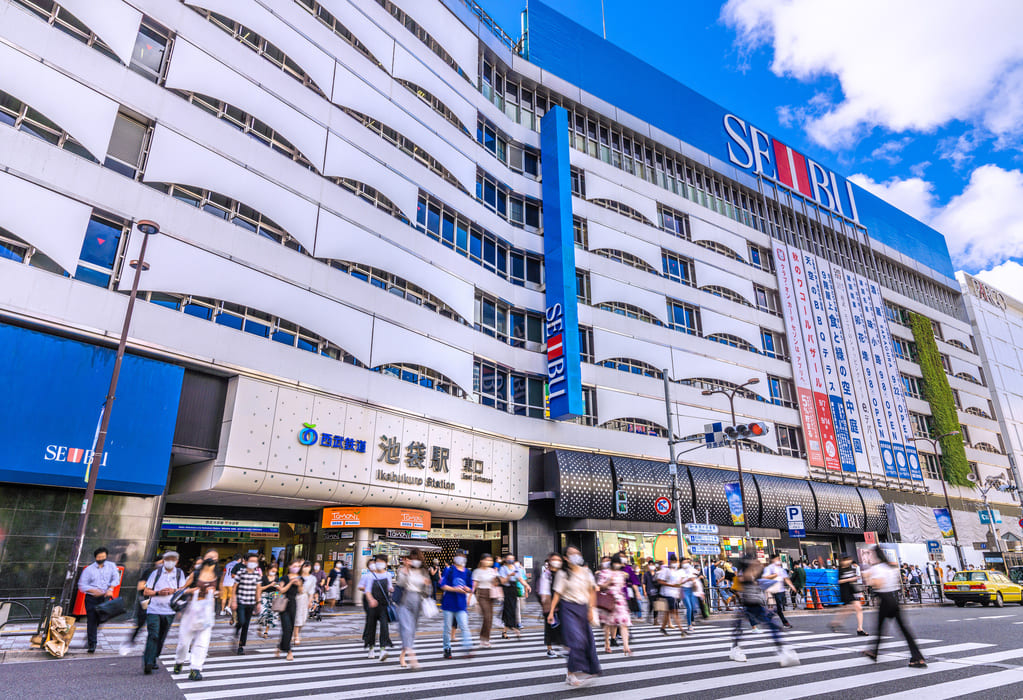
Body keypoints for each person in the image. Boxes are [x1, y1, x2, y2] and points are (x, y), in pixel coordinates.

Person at [863, 546, 926, 668]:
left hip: (885, 600)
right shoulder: (890, 568)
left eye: (870, 554)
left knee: (880, 629)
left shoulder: (878, 568)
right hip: (894, 600)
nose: (869, 557)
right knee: (902, 630)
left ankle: (874, 652)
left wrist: (867, 578)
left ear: (875, 555)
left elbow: (878, 584)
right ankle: (918, 657)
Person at [729, 558, 799, 667]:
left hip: (755, 605)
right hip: (750, 605)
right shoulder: (744, 576)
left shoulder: (753, 576)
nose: (760, 566)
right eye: (756, 565)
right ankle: (782, 652)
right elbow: (737, 588)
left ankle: (735, 648)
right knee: (769, 626)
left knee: (742, 626)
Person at [548, 546, 601, 687]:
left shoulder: (586, 572)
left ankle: (572, 672)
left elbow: (592, 591)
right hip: (568, 608)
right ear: (565, 558)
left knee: (586, 641)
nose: (576, 556)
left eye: (577, 553)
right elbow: (557, 594)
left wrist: (591, 609)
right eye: (572, 554)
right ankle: (572, 673)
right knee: (575, 640)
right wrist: (552, 611)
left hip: (583, 607)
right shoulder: (562, 574)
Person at [173, 549, 220, 681]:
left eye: (215, 558)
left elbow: (222, 593)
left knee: (202, 642)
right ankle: (179, 661)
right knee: (184, 643)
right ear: (205, 558)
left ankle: (196, 669)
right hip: (191, 611)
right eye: (210, 557)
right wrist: (193, 590)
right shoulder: (196, 573)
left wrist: (215, 593)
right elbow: (181, 590)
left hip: (207, 612)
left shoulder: (218, 575)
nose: (213, 559)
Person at [141, 551, 183, 674]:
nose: (170, 562)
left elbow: (183, 590)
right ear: (164, 560)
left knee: (161, 637)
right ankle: (148, 662)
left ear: (177, 561)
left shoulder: (179, 574)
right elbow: (146, 591)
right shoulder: (156, 573)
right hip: (154, 609)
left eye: (173, 559)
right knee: (153, 635)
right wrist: (158, 593)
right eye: (168, 559)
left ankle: (154, 657)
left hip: (169, 611)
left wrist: (173, 590)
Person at [77, 546, 122, 654]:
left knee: (100, 619)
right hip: (91, 598)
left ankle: (91, 635)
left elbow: (116, 578)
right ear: (95, 557)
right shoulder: (89, 569)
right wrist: (93, 590)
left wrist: (111, 588)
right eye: (99, 557)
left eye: (103, 556)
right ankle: (92, 644)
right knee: (91, 620)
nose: (101, 558)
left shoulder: (111, 566)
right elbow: (82, 585)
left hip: (104, 597)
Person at [121, 554, 164, 656]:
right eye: (161, 562)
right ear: (156, 562)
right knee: (140, 625)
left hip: (159, 604)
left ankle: (150, 650)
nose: (162, 564)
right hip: (146, 602)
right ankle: (129, 643)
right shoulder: (149, 572)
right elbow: (140, 587)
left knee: (155, 628)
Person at [396, 549, 430, 669]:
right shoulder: (403, 570)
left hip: (418, 602)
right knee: (406, 628)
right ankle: (412, 656)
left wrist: (427, 585)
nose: (415, 561)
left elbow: (428, 591)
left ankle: (402, 655)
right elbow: (400, 584)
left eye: (417, 559)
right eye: (412, 559)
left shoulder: (423, 572)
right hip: (405, 601)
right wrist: (405, 569)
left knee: (412, 630)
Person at [596, 554, 632, 655]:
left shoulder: (621, 574)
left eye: (618, 563)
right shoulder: (605, 573)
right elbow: (600, 586)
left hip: (619, 600)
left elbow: (622, 586)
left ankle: (626, 646)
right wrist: (608, 582)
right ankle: (607, 643)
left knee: (623, 622)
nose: (617, 565)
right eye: (615, 562)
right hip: (608, 600)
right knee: (607, 624)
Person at [440, 549, 474, 659]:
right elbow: (443, 585)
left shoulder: (468, 572)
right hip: (448, 604)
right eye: (458, 556)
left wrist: (466, 589)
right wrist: (455, 589)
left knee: (464, 626)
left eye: (462, 556)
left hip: (461, 605)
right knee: (447, 628)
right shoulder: (449, 570)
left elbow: (471, 587)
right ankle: (447, 649)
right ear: (454, 558)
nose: (461, 558)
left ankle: (468, 647)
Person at [359, 554, 393, 660]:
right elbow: (367, 590)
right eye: (378, 561)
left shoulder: (388, 575)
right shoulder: (370, 575)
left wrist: (392, 589)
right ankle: (371, 648)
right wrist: (371, 600)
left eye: (382, 561)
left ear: (386, 564)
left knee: (384, 627)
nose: (379, 564)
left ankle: (383, 650)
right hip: (372, 605)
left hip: (383, 605)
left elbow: (389, 587)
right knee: (371, 627)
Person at [830, 554, 867, 636]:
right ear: (842, 561)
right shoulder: (840, 570)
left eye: (849, 559)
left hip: (852, 590)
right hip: (845, 591)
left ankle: (860, 629)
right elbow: (839, 581)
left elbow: (854, 579)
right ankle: (835, 623)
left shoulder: (850, 567)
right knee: (848, 610)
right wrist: (850, 579)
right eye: (846, 559)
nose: (848, 561)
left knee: (856, 608)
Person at [232, 553, 262, 654]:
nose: (253, 563)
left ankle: (241, 646)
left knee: (246, 625)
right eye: (251, 561)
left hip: (251, 603)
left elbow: (258, 590)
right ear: (246, 562)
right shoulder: (241, 572)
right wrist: (233, 600)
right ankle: (237, 628)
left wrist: (258, 603)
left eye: (255, 561)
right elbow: (234, 587)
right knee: (241, 621)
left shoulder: (257, 575)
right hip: (241, 601)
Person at [535, 553, 563, 657]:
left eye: (558, 559)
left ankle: (566, 647)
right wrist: (549, 609)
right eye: (554, 559)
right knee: (550, 628)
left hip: (562, 604)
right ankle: (549, 649)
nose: (556, 561)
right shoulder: (546, 575)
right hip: (550, 606)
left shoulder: (562, 573)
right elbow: (544, 592)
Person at [275, 559, 303, 661]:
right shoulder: (284, 578)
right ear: (290, 566)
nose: (296, 568)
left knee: (290, 629)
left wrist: (299, 584)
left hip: (293, 604)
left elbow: (300, 591)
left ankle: (280, 646)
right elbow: (281, 590)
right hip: (283, 604)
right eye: (294, 566)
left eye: (298, 566)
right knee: (286, 628)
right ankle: (289, 651)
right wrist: (291, 582)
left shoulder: (300, 578)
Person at [472, 553, 499, 648]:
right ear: (481, 560)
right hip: (482, 595)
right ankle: (483, 638)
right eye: (487, 560)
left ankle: (485, 639)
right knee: (487, 617)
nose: (489, 562)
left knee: (490, 618)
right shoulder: (477, 571)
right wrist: (471, 596)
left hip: (491, 594)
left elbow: (496, 583)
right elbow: (474, 585)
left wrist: (496, 578)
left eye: (490, 560)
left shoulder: (492, 570)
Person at [498, 553, 529, 639]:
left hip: (514, 590)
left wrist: (526, 585)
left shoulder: (516, 568)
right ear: (505, 559)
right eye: (509, 558)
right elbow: (503, 581)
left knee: (512, 610)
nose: (511, 560)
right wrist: (509, 575)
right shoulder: (503, 569)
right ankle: (515, 630)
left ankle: (504, 632)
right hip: (507, 590)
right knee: (509, 610)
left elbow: (520, 578)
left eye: (512, 558)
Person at [763, 554, 797, 629]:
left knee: (780, 606)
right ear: (773, 560)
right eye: (777, 559)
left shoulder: (781, 569)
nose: (779, 560)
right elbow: (765, 577)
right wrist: (774, 575)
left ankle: (768, 618)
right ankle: (785, 622)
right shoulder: (769, 568)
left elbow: (786, 578)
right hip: (774, 590)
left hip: (781, 589)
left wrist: (792, 586)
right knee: (779, 607)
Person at [657, 556, 684, 635]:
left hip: (674, 594)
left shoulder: (676, 572)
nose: (675, 563)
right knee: (674, 612)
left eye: (676, 561)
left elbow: (678, 583)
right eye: (673, 561)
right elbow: (660, 581)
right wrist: (671, 585)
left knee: (668, 612)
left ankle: (662, 628)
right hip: (667, 594)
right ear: (670, 561)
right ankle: (681, 630)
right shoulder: (666, 570)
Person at [293, 561, 315, 646]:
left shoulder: (312, 578)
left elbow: (312, 591)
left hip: (305, 598)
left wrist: (310, 601)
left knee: (303, 618)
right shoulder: (297, 577)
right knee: (297, 618)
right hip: (297, 597)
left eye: (308, 566)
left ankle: (295, 632)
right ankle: (296, 636)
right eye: (305, 566)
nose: (306, 568)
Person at [257, 567, 281, 638]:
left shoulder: (276, 578)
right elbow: (260, 588)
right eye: (272, 570)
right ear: (268, 570)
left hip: (273, 596)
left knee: (271, 614)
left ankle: (266, 632)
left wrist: (278, 590)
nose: (273, 572)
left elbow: (277, 589)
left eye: (275, 571)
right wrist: (270, 585)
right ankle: (260, 626)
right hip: (264, 595)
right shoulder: (263, 578)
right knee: (263, 613)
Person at [679, 557, 699, 633]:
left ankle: (689, 619)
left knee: (693, 607)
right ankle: (689, 625)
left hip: (691, 590)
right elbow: (679, 583)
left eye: (686, 562)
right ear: (681, 564)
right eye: (684, 563)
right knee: (689, 607)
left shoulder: (690, 570)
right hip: (684, 590)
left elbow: (695, 577)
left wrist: (694, 582)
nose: (685, 564)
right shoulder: (680, 572)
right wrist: (687, 580)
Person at [220, 554, 241, 620]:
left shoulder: (227, 564)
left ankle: (222, 611)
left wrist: (222, 582)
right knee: (232, 596)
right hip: (232, 582)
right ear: (239, 559)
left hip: (225, 582)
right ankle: (228, 607)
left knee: (224, 597)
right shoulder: (238, 565)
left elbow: (224, 573)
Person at [642, 560, 660, 624]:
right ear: (648, 566)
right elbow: (644, 583)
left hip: (657, 592)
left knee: (656, 606)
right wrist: (644, 591)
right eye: (650, 565)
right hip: (649, 591)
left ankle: (655, 620)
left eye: (653, 564)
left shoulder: (657, 573)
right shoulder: (646, 574)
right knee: (652, 604)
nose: (652, 566)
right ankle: (649, 615)